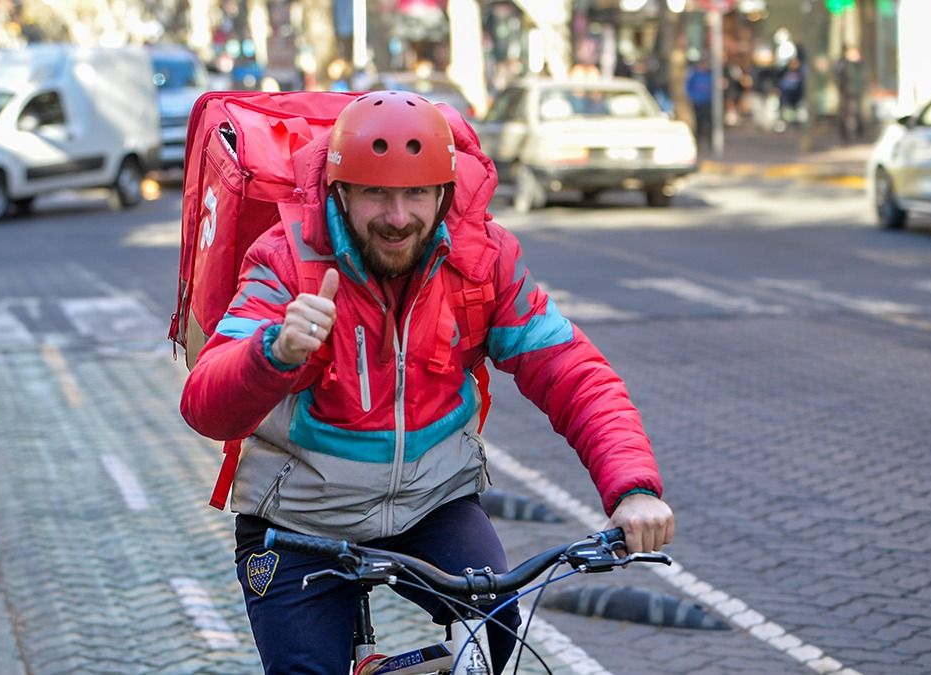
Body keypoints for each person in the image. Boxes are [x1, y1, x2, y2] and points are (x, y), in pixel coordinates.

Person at [179, 91, 674, 674]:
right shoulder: (286, 260)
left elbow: (571, 371)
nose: (397, 216)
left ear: (444, 193)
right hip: (298, 522)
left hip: (431, 504)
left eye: (416, 193)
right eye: (376, 193)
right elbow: (205, 406)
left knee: (492, 632)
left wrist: (632, 487)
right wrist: (275, 351)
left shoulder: (481, 260)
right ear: (340, 192)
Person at [834, 47, 866, 142]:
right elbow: (837, 74)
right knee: (844, 112)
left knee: (857, 112)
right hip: (845, 91)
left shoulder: (859, 65)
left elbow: (862, 77)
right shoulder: (843, 64)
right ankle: (844, 134)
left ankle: (859, 132)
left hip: (856, 91)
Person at [685, 58, 714, 146]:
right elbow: (688, 87)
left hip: (708, 102)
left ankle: (711, 143)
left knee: (710, 123)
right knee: (699, 123)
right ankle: (698, 142)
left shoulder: (710, 75)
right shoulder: (694, 75)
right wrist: (692, 97)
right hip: (698, 103)